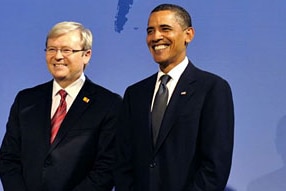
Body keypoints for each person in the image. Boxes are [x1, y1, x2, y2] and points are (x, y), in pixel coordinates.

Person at [114, 3, 234, 191]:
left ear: (189, 34)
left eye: (165, 29)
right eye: (150, 31)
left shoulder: (212, 88)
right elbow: (123, 160)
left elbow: (215, 165)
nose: (156, 37)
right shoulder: (134, 94)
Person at [0, 21, 122, 191]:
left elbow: (107, 168)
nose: (57, 56)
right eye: (51, 49)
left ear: (86, 55)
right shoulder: (26, 100)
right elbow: (8, 159)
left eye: (66, 50)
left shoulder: (108, 104)